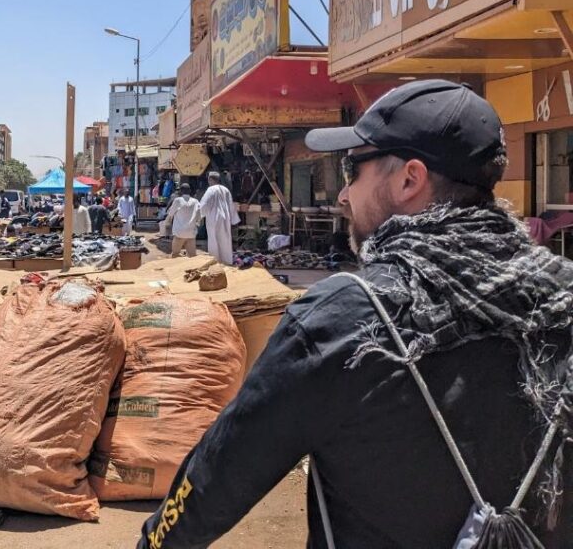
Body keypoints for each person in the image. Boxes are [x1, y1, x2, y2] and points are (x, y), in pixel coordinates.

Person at [139, 80, 573, 548]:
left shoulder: (342, 318)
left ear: (409, 179)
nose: (344, 196)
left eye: (354, 170)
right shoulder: (559, 297)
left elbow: (214, 480)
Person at [198, 171, 239, 264]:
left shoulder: (210, 190)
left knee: (213, 239)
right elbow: (231, 205)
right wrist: (233, 219)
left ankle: (215, 261)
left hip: (213, 218)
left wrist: (198, 216)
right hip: (225, 218)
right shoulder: (226, 189)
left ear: (210, 179)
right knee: (225, 239)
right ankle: (227, 261)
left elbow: (204, 204)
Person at [163, 183, 201, 258]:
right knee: (192, 257)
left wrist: (166, 224)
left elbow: (170, 214)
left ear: (180, 191)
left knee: (175, 255)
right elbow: (199, 216)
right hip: (191, 233)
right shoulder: (195, 201)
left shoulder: (178, 200)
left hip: (179, 233)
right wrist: (196, 224)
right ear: (190, 191)